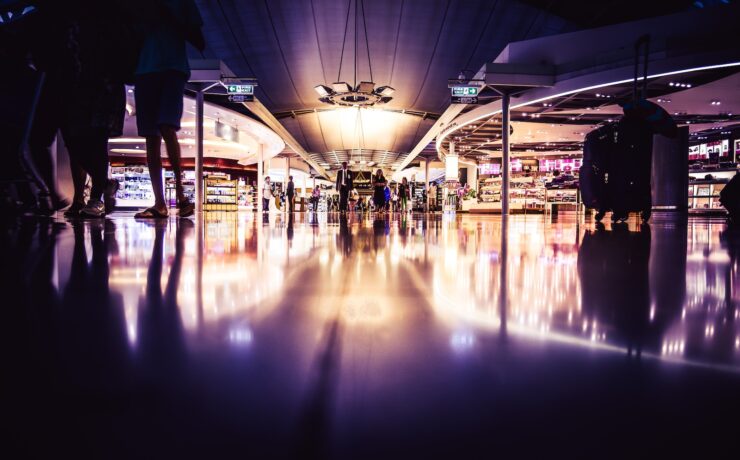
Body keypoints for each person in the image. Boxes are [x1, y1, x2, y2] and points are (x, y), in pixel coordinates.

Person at [26, 2, 129, 217]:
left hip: (86, 85)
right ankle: (95, 188)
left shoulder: (76, 20)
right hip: (76, 85)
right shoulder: (86, 18)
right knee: (75, 143)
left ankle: (85, 193)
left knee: (76, 142)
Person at [133, 0, 205, 219]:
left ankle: (179, 196)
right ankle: (161, 202)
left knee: (165, 127)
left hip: (169, 68)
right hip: (149, 69)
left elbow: (197, 35)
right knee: (152, 135)